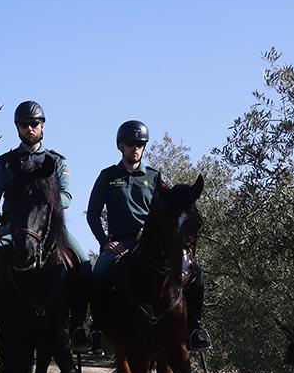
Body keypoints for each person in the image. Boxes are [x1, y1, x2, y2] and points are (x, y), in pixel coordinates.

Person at [75, 120, 212, 351]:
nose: (135, 148)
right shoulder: (107, 176)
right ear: (121, 145)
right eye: (130, 144)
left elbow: (165, 213)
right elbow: (93, 214)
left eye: (140, 144)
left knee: (196, 273)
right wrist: (105, 242)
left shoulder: (154, 177)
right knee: (98, 275)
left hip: (150, 244)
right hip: (118, 243)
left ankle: (195, 330)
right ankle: (95, 329)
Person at [0, 100, 88, 350]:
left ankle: (79, 327)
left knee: (84, 263)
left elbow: (67, 194)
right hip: (11, 229)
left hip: (50, 228)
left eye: (34, 123)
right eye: (24, 124)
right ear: (17, 128)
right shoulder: (5, 162)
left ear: (43, 126)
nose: (29, 128)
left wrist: (50, 202)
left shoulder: (56, 161)